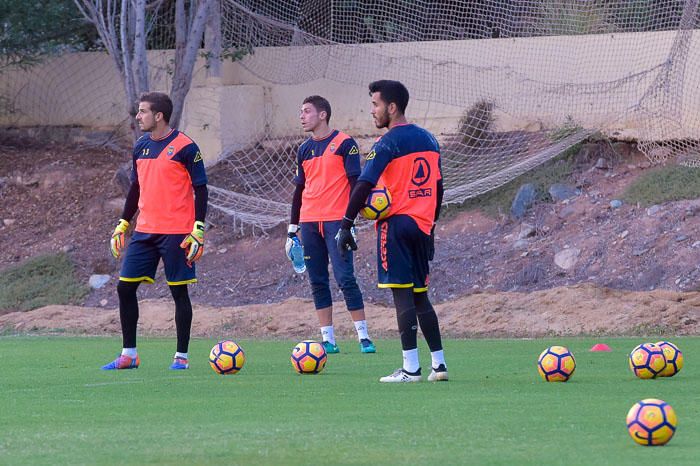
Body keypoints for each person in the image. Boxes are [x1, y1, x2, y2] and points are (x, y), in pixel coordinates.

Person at [336, 80, 447, 382]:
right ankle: (439, 365)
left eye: (375, 104)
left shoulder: (387, 144)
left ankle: (411, 368)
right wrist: (432, 227)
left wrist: (346, 224)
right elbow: (438, 188)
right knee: (421, 296)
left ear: (392, 107)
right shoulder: (429, 140)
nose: (372, 111)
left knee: (403, 297)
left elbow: (363, 184)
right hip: (422, 225)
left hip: (396, 225)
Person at [102, 91, 208, 371]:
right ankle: (129, 355)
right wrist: (124, 222)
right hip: (145, 232)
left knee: (179, 293)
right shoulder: (140, 146)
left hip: (177, 233)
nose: (138, 117)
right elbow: (136, 188)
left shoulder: (186, 147)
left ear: (158, 116)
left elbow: (201, 188)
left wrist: (198, 227)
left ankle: (181, 358)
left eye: (143, 112)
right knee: (125, 288)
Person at [286, 95, 376, 354]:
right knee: (317, 280)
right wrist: (293, 229)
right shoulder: (303, 149)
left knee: (345, 277)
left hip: (337, 221)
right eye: (301, 112)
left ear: (322, 114)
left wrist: (352, 221)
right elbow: (299, 191)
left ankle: (364, 337)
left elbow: (355, 183)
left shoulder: (345, 144)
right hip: (309, 222)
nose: (302, 116)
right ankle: (328, 339)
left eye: (306, 111)